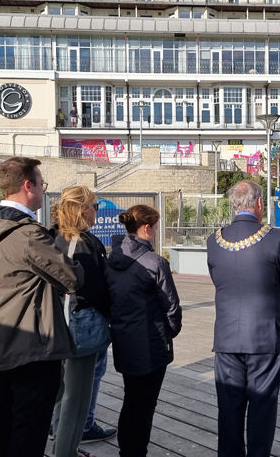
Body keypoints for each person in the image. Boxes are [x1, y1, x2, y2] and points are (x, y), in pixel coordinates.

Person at [0, 157, 81, 455]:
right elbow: (72, 278)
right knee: (29, 431)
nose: (43, 191)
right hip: (33, 346)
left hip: (2, 339)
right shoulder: (26, 233)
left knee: (1, 421)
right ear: (27, 186)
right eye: (41, 184)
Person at [206, 180, 280, 457]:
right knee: (262, 406)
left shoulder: (214, 240)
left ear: (234, 204)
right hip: (263, 335)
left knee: (229, 408)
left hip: (226, 336)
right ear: (258, 203)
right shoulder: (274, 238)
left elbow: (218, 281)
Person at [106, 205, 182, 457]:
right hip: (151, 344)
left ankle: (127, 450)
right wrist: (168, 333)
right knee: (145, 405)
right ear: (147, 228)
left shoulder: (112, 259)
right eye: (156, 227)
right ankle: (135, 452)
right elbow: (172, 307)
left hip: (123, 340)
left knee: (131, 399)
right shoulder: (155, 262)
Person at [50, 186, 114, 457]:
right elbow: (94, 288)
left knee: (63, 392)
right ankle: (66, 451)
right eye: (95, 206)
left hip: (60, 321)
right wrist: (111, 315)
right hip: (81, 323)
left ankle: (61, 442)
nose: (96, 211)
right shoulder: (82, 242)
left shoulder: (55, 237)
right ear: (83, 210)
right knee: (76, 399)